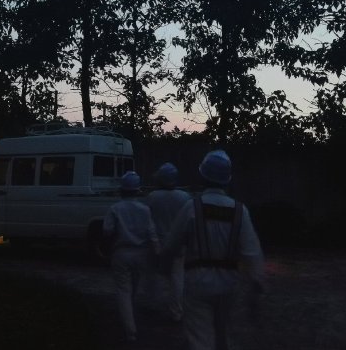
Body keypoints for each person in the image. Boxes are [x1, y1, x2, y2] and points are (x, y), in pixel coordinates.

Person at [163, 150, 265, 350]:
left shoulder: (192, 207)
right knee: (226, 338)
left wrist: (165, 266)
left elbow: (171, 246)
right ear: (227, 180)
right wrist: (256, 285)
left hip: (197, 283)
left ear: (203, 176)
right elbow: (252, 253)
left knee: (200, 340)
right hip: (230, 284)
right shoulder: (240, 210)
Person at [103, 170, 160, 344]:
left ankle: (130, 331)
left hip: (121, 253)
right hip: (141, 254)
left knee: (123, 290)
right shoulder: (145, 210)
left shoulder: (115, 208)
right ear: (137, 190)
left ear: (122, 190)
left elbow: (107, 231)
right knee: (134, 289)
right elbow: (152, 233)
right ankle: (133, 319)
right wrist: (158, 252)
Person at [145, 162, 191, 322]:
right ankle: (176, 312)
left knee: (154, 277)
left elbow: (148, 222)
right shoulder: (184, 197)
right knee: (177, 279)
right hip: (178, 245)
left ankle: (154, 307)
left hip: (157, 243)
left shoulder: (152, 197)